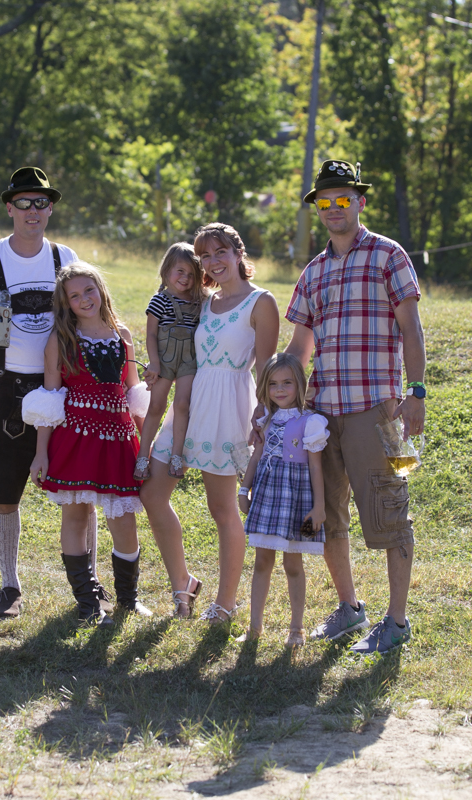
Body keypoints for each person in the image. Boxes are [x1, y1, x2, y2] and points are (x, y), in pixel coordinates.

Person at [284, 159, 426, 654]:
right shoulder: (314, 271)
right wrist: (277, 402)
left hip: (378, 411)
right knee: (326, 516)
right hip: (322, 415)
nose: (333, 208)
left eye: (343, 199)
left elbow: (411, 328)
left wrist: (418, 392)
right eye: (324, 201)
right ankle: (349, 610)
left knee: (390, 512)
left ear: (360, 202)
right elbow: (299, 348)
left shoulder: (389, 255)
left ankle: (397, 622)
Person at [0, 166, 84, 622]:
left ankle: (88, 586)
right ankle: (10, 586)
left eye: (41, 202)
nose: (33, 211)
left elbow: (91, 311)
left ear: (51, 208)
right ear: (9, 208)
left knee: (80, 491)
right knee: (5, 492)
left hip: (61, 386)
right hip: (4, 387)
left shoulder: (65, 257)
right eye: (24, 203)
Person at [140, 223, 279, 621]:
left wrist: (265, 414)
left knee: (222, 508)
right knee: (152, 493)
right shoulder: (204, 301)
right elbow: (171, 337)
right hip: (191, 403)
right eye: (205, 256)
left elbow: (267, 366)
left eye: (221, 252)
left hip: (229, 406)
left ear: (238, 253)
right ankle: (183, 583)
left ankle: (226, 603)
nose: (213, 261)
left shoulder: (260, 302)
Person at [23, 263, 153, 625]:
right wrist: (40, 454)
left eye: (89, 290)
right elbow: (50, 398)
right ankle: (88, 602)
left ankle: (128, 598)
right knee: (76, 514)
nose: (84, 299)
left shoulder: (121, 334)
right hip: (75, 436)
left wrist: (146, 446)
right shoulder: (60, 340)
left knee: (124, 519)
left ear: (101, 289)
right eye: (74, 296)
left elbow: (133, 394)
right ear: (65, 303)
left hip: (118, 437)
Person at [237, 353, 329, 647]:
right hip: (266, 497)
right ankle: (254, 627)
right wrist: (243, 491)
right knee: (262, 561)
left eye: (287, 382)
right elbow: (257, 456)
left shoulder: (311, 423)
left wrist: (319, 506)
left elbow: (316, 466)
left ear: (299, 384)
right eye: (274, 384)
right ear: (265, 388)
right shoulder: (266, 420)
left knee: (293, 564)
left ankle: (296, 629)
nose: (280, 389)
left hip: (297, 499)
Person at [135, 243, 208, 480]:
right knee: (156, 406)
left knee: (182, 405)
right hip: (163, 362)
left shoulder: (199, 302)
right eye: (180, 271)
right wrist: (154, 363)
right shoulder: (160, 300)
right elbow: (152, 334)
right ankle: (142, 457)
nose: (185, 278)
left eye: (191, 274)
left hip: (189, 362)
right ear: (167, 270)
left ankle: (177, 455)